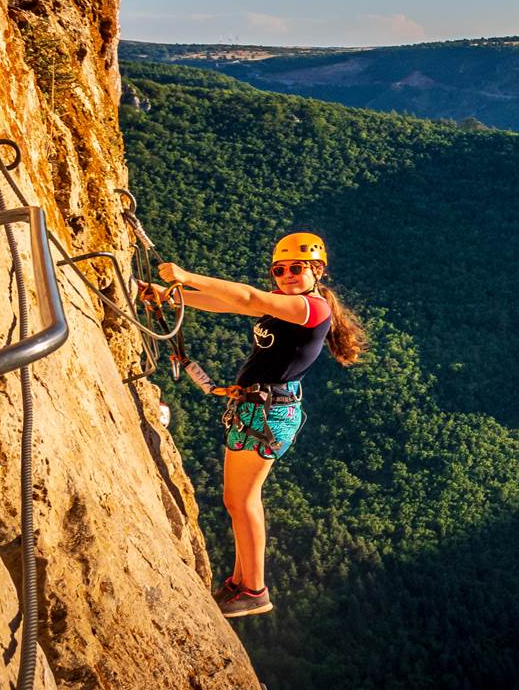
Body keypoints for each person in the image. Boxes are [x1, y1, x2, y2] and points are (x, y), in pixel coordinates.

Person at [143, 232, 367, 618]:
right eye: (280, 270)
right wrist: (170, 296)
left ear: (317, 270)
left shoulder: (310, 309)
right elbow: (228, 304)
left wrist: (185, 276)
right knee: (237, 500)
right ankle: (239, 581)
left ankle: (254, 589)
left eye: (297, 268)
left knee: (243, 500)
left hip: (267, 414)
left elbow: (247, 296)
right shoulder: (290, 308)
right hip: (259, 408)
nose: (287, 275)